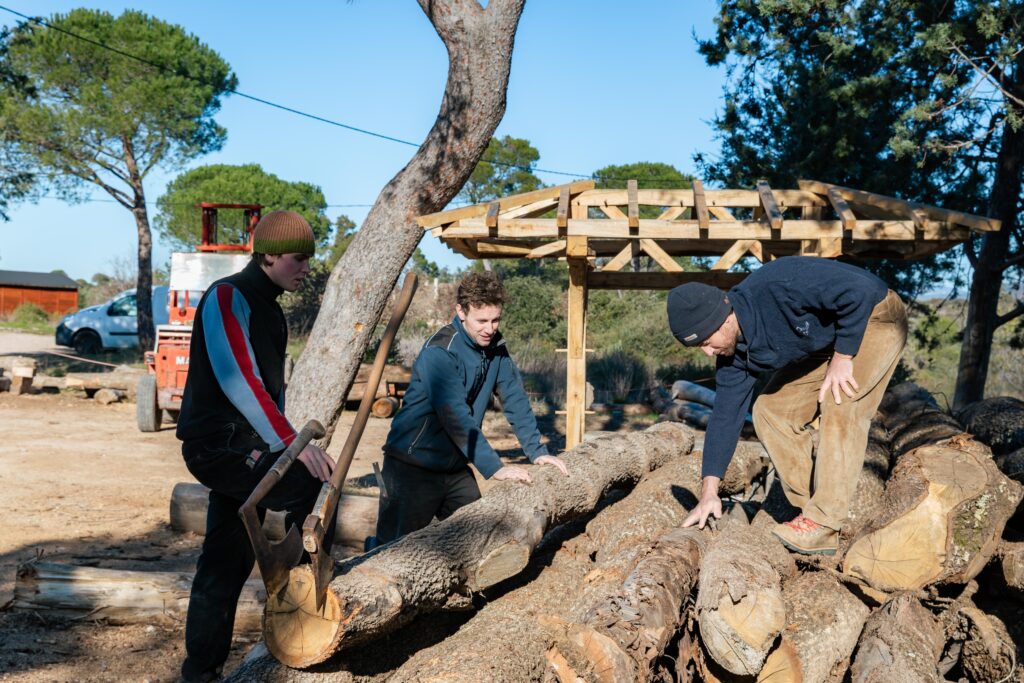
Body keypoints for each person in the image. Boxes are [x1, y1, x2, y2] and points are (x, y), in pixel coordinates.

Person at [175, 211, 335, 682]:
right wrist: (288, 445)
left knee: (225, 564)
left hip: (244, 445)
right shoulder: (229, 296)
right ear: (267, 254)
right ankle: (305, 600)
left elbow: (272, 390)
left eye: (308, 258)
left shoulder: (271, 310)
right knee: (305, 480)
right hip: (216, 444)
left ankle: (200, 673)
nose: (305, 267)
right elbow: (238, 380)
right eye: (297, 258)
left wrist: (285, 442)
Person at [671, 256, 907, 555]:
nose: (707, 352)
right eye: (699, 347)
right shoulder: (733, 357)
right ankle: (810, 513)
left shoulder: (780, 285)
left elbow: (860, 290)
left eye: (707, 340)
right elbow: (724, 420)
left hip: (875, 314)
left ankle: (823, 522)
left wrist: (844, 357)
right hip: (827, 341)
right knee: (769, 412)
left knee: (840, 399)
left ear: (725, 316)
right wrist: (708, 494)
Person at [369, 271, 568, 547]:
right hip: (412, 465)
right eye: (482, 321)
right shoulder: (440, 351)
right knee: (392, 549)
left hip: (454, 467)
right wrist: (495, 468)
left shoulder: (496, 348)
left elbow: (515, 399)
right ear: (461, 312)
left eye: (495, 320)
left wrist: (536, 451)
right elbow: (455, 417)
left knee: (480, 543)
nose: (490, 328)